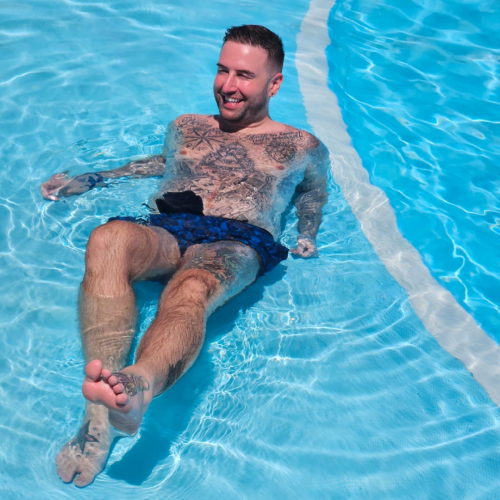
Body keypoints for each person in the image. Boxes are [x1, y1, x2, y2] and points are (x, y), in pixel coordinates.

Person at [42, 24, 329, 487]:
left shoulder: (303, 146)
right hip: (170, 225)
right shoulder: (186, 126)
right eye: (222, 71)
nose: (228, 86)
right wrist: (97, 177)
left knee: (192, 287)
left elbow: (312, 195)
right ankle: (101, 410)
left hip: (238, 237)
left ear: (274, 84)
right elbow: (162, 165)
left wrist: (307, 233)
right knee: (108, 238)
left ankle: (137, 388)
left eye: (244, 76)